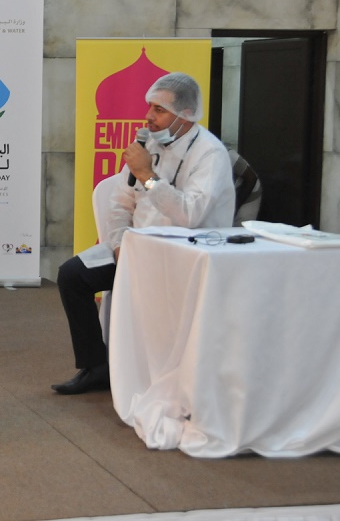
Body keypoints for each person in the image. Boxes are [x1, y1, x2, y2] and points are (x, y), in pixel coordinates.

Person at [52, 72, 236, 395]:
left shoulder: (210, 154)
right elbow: (119, 203)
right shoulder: (148, 144)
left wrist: (147, 176)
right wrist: (119, 244)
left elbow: (190, 214)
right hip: (137, 249)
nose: (148, 116)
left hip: (186, 256)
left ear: (185, 115)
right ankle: (96, 367)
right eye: (149, 106)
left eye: (159, 110)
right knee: (72, 275)